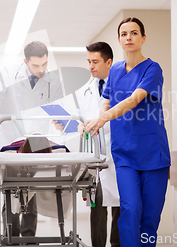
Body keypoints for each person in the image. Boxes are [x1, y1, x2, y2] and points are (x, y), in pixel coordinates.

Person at [85, 18, 171, 247]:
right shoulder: (114, 71)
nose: (129, 38)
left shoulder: (153, 69)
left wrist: (102, 118)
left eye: (134, 33)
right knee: (130, 209)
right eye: (124, 34)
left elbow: (134, 99)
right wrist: (100, 118)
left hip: (153, 153)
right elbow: (107, 99)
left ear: (143, 38)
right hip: (124, 154)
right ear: (119, 40)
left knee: (149, 217)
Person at [0, 40, 64, 238]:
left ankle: (29, 239)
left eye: (44, 64)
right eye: (36, 65)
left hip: (38, 140)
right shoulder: (9, 75)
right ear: (26, 62)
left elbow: (57, 106)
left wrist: (61, 120)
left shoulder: (52, 79)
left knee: (31, 191)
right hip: (12, 137)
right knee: (10, 188)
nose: (41, 70)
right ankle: (11, 237)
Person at [77, 42, 120, 247]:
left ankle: (117, 244)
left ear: (108, 62)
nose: (91, 66)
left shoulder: (122, 85)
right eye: (89, 62)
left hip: (118, 153)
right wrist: (80, 125)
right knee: (97, 206)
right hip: (97, 156)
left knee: (120, 207)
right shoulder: (88, 89)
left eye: (95, 62)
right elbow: (87, 117)